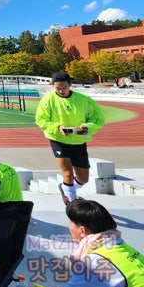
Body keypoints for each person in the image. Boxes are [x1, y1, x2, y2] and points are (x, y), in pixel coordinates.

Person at [35, 71, 106, 205]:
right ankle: (71, 203)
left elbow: (98, 119)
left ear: (70, 85)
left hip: (79, 141)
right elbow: (41, 120)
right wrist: (57, 127)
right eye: (58, 88)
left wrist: (87, 126)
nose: (61, 91)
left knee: (83, 179)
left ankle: (67, 188)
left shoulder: (84, 100)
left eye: (64, 87)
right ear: (53, 86)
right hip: (58, 140)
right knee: (67, 174)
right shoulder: (47, 100)